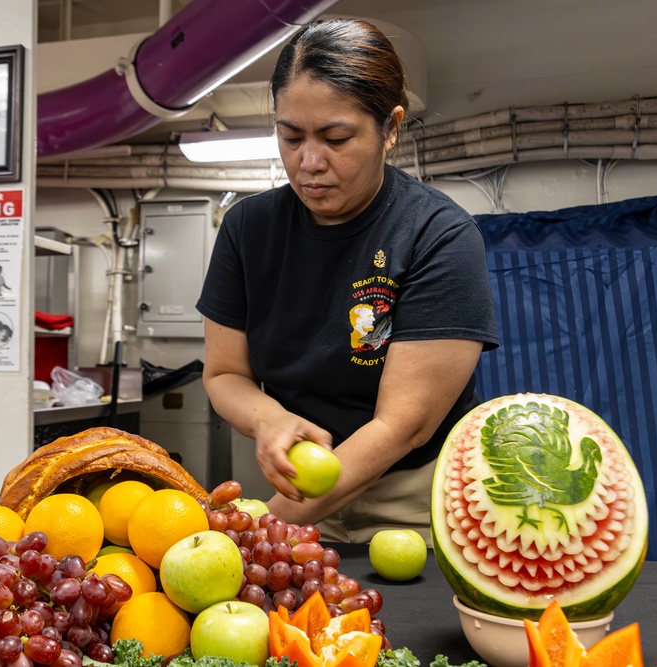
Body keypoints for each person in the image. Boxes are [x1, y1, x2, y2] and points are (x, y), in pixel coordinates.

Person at [195, 19, 499, 544]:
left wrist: (263, 532)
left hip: (414, 501)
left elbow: (404, 425)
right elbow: (224, 375)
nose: (309, 163)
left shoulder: (439, 235)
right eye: (290, 137)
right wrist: (267, 418)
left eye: (336, 138)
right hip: (294, 484)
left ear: (392, 128)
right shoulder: (248, 229)